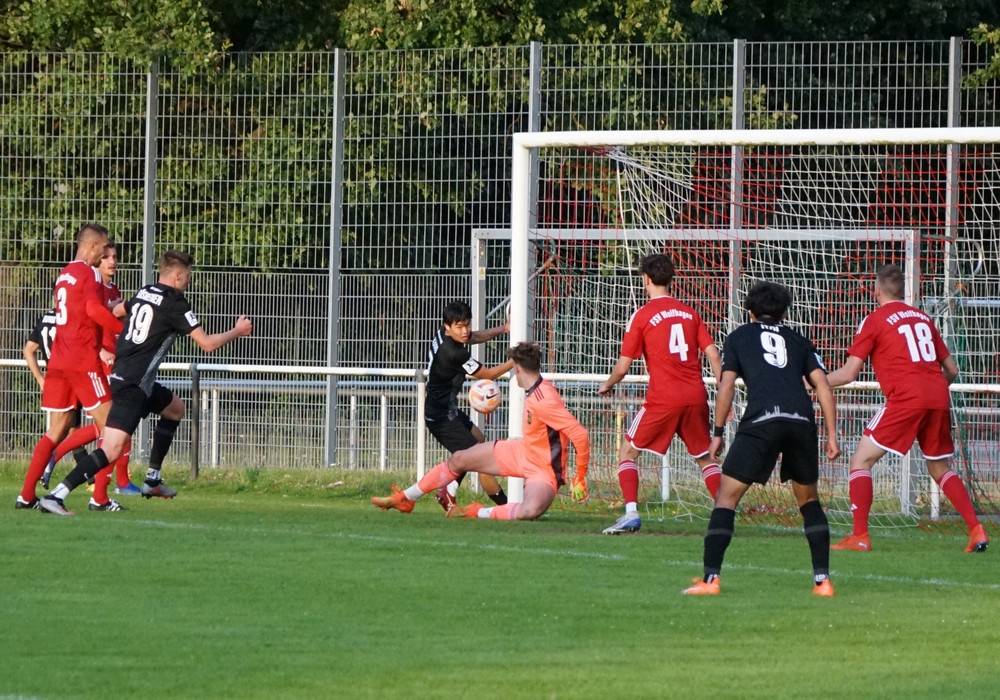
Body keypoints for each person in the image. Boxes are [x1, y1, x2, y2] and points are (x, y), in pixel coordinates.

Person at [38, 250, 253, 515]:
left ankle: (152, 479)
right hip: (132, 385)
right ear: (177, 275)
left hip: (133, 379)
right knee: (111, 449)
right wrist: (238, 331)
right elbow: (207, 344)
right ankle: (56, 496)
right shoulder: (175, 302)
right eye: (188, 276)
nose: (189, 280)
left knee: (175, 408)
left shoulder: (145, 291)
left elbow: (116, 310)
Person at [683, 281, 841, 597]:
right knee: (809, 501)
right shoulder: (799, 340)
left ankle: (710, 580)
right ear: (784, 312)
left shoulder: (739, 336)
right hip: (800, 420)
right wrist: (832, 435)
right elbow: (822, 385)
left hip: (762, 420)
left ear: (751, 312)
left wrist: (717, 433)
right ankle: (823, 582)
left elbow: (727, 385)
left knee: (726, 498)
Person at [825, 264, 988, 553]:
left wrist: (814, 381)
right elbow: (952, 369)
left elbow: (849, 373)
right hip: (938, 396)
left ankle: (860, 536)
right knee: (939, 467)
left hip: (906, 398)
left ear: (876, 290)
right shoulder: (923, 318)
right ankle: (977, 530)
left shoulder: (875, 320)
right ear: (903, 291)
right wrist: (931, 391)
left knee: (860, 461)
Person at [372, 340, 590, 520]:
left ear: (517, 368)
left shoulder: (544, 399)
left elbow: (580, 434)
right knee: (459, 459)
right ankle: (405, 498)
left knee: (529, 511)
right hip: (522, 452)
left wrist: (580, 476)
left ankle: (475, 511)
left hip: (544, 469)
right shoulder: (535, 391)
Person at [598, 253, 722, 534]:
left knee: (627, 452)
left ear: (646, 279)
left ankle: (631, 513)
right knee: (705, 458)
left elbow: (622, 368)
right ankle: (724, 513)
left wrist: (607, 384)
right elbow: (714, 355)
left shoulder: (642, 316)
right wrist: (723, 393)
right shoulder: (690, 313)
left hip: (664, 398)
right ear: (670, 279)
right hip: (696, 396)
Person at [16, 224, 123, 511]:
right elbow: (93, 311)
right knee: (113, 428)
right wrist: (123, 331)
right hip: (82, 362)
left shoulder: (64, 274)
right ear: (92, 246)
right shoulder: (89, 273)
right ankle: (99, 498)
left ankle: (26, 496)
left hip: (59, 362)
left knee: (56, 431)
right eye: (104, 248)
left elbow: (78, 314)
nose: (106, 254)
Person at [40, 242, 140, 495]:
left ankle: (57, 458)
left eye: (115, 256)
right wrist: (101, 350)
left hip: (115, 360)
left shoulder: (111, 288)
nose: (112, 261)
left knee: (108, 426)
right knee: (116, 424)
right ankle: (115, 484)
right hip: (99, 363)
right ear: (97, 259)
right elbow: (87, 321)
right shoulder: (92, 284)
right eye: (107, 257)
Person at [424, 300, 514, 511]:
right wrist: (517, 360)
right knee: (481, 457)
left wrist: (503, 328)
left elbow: (474, 337)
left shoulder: (446, 334)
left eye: (467, 324)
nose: (465, 331)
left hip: (447, 410)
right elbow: (488, 374)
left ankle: (448, 492)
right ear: (447, 326)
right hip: (441, 418)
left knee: (479, 441)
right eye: (459, 327)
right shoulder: (453, 353)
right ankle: (507, 507)